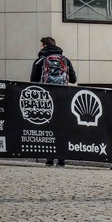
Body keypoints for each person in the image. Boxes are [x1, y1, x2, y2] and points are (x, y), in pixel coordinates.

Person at [30, 37, 77, 167]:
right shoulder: (65, 60)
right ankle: (61, 158)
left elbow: (33, 82)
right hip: (63, 97)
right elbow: (73, 79)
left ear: (44, 46)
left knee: (49, 127)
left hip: (47, 98)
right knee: (62, 127)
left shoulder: (40, 61)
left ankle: (49, 158)